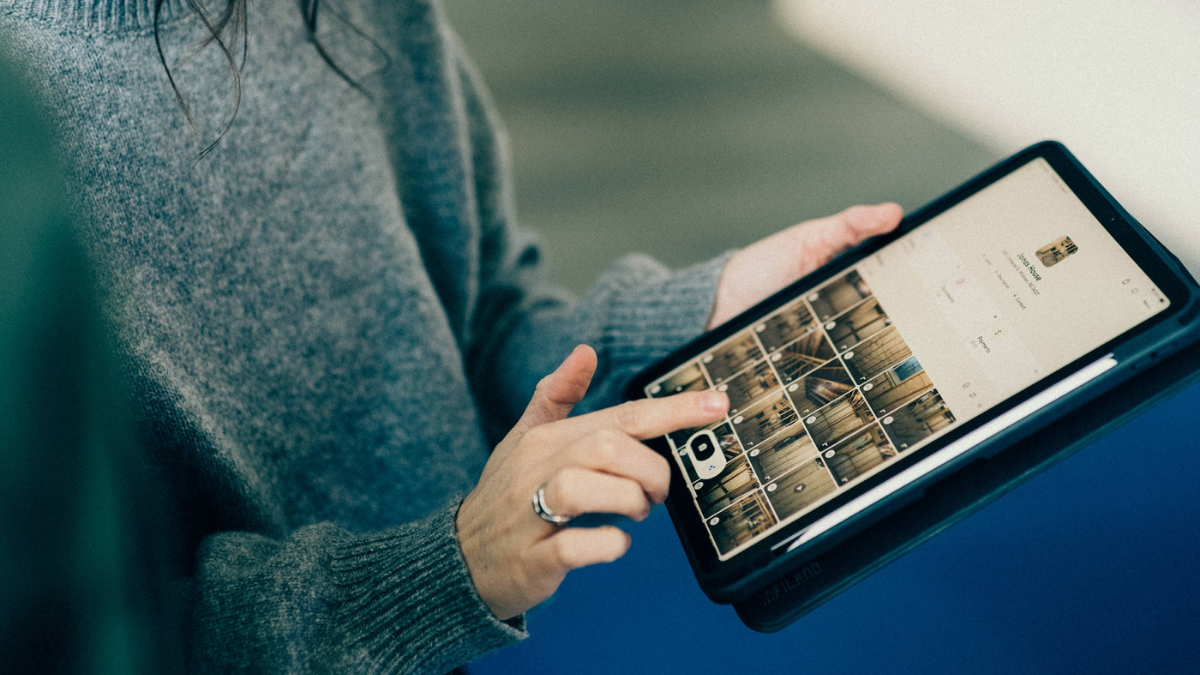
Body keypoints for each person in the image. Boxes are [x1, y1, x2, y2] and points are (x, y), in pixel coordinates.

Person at [0, 0, 901, 672]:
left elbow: (477, 320)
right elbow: (83, 631)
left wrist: (698, 314)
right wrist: (447, 567)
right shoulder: (23, 152)